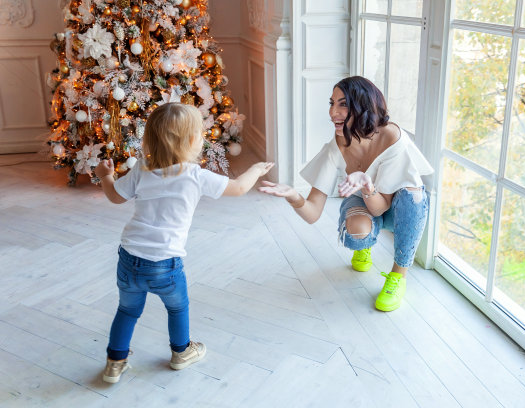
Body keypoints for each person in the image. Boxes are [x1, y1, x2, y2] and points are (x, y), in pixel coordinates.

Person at [95, 103, 274, 383]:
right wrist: (256, 169)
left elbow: (115, 196)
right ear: (192, 141)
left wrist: (105, 175)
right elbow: (239, 187)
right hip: (166, 264)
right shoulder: (195, 176)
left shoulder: (142, 169)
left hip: (129, 258)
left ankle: (114, 363)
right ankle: (181, 352)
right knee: (177, 307)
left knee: (127, 310)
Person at [259, 76, 433, 312]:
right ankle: (365, 244)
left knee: (415, 196)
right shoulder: (337, 147)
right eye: (331, 103)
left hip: (397, 205)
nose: (333, 112)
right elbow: (312, 213)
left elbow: (382, 207)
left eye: (343, 104)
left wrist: (367, 184)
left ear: (362, 107)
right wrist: (293, 196)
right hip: (368, 202)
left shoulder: (391, 137)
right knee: (357, 233)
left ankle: (398, 276)